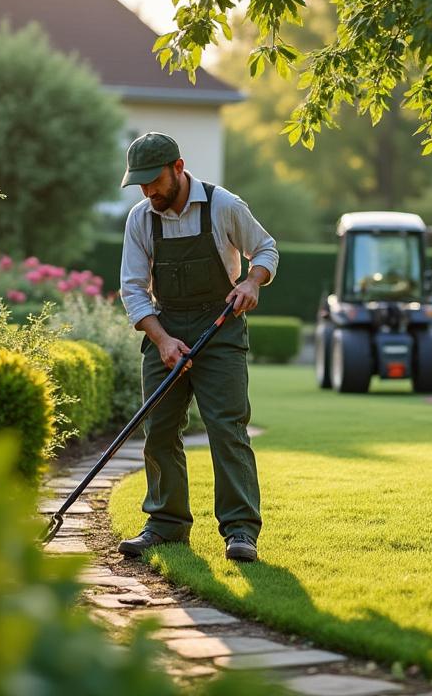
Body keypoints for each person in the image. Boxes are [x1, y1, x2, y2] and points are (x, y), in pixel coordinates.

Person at [116, 132, 278, 563]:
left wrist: (251, 281)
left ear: (178, 168)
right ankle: (166, 525)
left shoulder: (223, 205)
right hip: (165, 324)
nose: (149, 191)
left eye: (155, 181)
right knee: (160, 429)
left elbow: (265, 249)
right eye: (141, 184)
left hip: (220, 327)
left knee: (227, 427)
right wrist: (163, 340)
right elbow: (132, 289)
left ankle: (241, 530)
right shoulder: (140, 219)